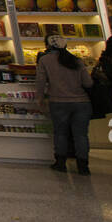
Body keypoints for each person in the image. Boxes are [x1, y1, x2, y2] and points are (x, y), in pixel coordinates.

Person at [36, 35, 94, 175]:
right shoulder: (76, 60)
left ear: (48, 46)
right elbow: (88, 83)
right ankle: (83, 166)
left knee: (60, 133)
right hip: (81, 102)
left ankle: (60, 163)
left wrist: (40, 99)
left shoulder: (45, 60)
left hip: (58, 101)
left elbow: (41, 82)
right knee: (81, 135)